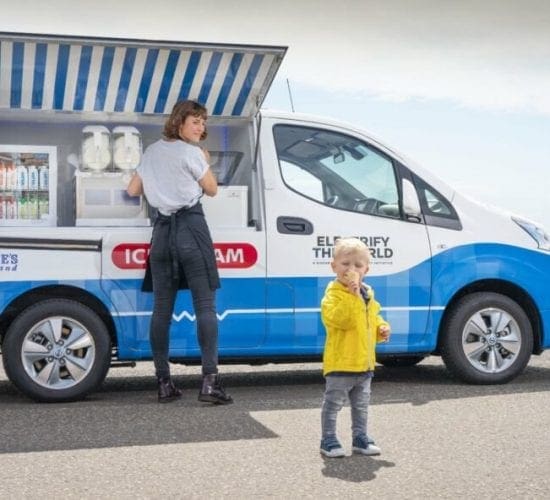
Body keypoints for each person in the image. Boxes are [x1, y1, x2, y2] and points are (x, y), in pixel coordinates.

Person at [127, 99, 232, 405]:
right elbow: (211, 188)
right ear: (179, 122)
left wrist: (160, 183)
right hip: (191, 228)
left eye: (203, 122)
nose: (201, 127)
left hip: (161, 234)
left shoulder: (151, 152)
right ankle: (210, 384)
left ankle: (163, 384)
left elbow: (133, 190)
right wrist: (205, 162)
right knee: (205, 306)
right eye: (195, 121)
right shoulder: (192, 153)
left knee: (162, 310)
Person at [319, 237, 390, 457]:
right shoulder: (332, 296)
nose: (351, 269)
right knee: (333, 404)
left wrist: (381, 328)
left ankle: (360, 438)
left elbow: (371, 318)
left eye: (358, 266)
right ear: (334, 266)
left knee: (361, 406)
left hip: (364, 363)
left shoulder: (367, 294)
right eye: (345, 264)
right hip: (341, 362)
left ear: (366, 270)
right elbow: (342, 320)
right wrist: (352, 295)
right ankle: (328, 439)